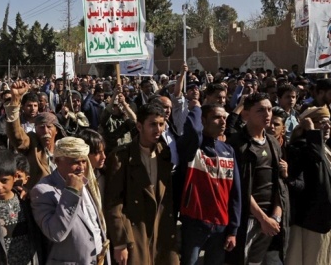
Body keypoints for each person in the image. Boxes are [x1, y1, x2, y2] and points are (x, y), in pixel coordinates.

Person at [104, 103, 179, 265]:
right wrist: (120, 242)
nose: (158, 129)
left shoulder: (164, 153)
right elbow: (114, 203)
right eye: (152, 124)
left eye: (161, 124)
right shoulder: (121, 157)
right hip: (135, 232)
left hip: (161, 232)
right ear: (139, 126)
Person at [226, 93, 290, 265]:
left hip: (271, 219)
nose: (267, 114)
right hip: (248, 219)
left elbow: (279, 184)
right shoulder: (237, 145)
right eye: (260, 110)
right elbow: (240, 187)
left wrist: (275, 216)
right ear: (246, 115)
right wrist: (263, 219)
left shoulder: (273, 143)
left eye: (269, 109)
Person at [177, 102, 242, 265]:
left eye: (224, 118)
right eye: (216, 118)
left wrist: (233, 230)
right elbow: (192, 129)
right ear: (203, 121)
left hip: (221, 226)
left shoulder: (228, 150)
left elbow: (235, 192)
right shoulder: (194, 146)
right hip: (194, 223)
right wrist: (197, 108)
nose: (222, 122)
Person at [30, 137, 110, 265]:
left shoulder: (87, 182)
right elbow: (55, 233)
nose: (81, 167)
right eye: (75, 162)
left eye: (84, 161)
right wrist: (71, 192)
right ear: (57, 161)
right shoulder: (42, 191)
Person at [285, 106, 331, 265]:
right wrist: (311, 131)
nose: (327, 126)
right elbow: (316, 159)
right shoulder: (301, 146)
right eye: (322, 122)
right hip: (308, 220)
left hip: (324, 218)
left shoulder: (324, 147)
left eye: (329, 122)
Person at [6, 81, 65, 188]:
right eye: (41, 127)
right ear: (35, 129)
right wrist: (15, 100)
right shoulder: (32, 143)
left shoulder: (64, 148)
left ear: (57, 130)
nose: (45, 131)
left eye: (49, 127)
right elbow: (17, 137)